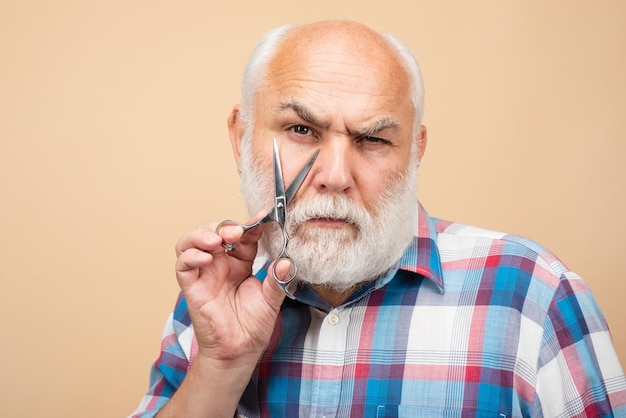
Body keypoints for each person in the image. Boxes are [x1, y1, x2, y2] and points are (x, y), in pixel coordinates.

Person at [130, 20, 626, 417]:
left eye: (372, 139)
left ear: (415, 151)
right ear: (241, 137)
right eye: (301, 129)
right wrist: (220, 364)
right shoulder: (218, 296)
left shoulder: (535, 296)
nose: (335, 176)